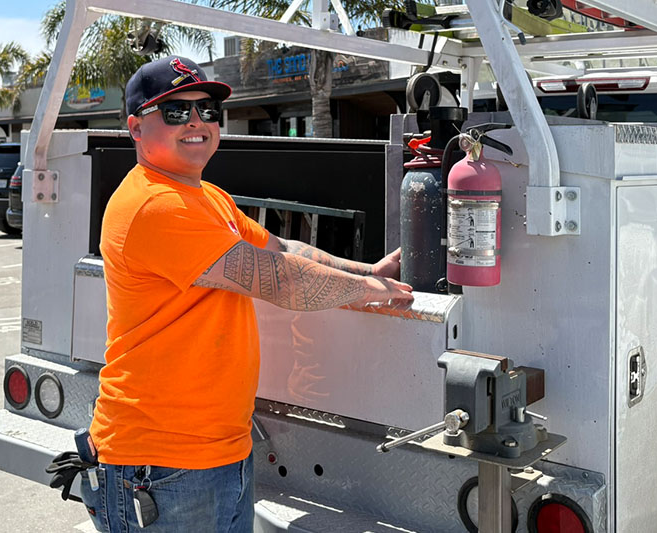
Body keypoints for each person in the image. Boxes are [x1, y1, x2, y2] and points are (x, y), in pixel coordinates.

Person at [86, 55, 413, 533]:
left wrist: (367, 269)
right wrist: (366, 289)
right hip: (162, 465)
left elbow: (286, 249)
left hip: (215, 454)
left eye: (207, 110)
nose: (197, 122)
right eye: (176, 111)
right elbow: (280, 278)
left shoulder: (206, 196)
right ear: (136, 128)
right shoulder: (154, 205)